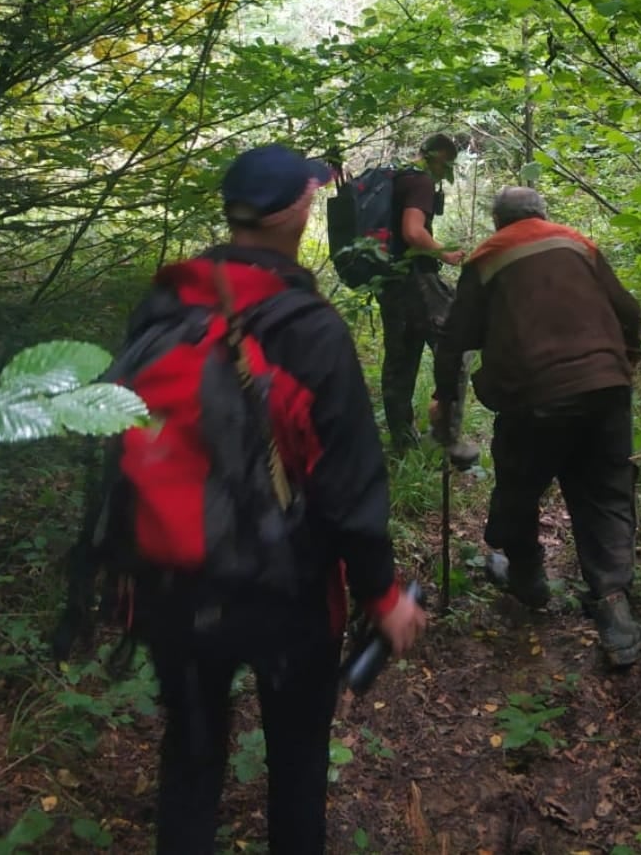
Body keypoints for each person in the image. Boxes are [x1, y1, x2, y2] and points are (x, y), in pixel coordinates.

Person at [122, 144, 425, 855]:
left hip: (172, 580)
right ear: (298, 210)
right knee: (296, 763)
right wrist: (383, 596)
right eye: (311, 196)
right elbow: (347, 483)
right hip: (283, 592)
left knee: (189, 758)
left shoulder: (163, 304)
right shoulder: (310, 329)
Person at [431, 185, 641, 668]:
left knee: (520, 487)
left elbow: (454, 341)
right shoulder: (577, 242)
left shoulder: (488, 257)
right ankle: (614, 608)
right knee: (605, 492)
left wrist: (445, 401)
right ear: (542, 213)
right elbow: (628, 311)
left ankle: (527, 578)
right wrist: (623, 359)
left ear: (498, 221)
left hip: (534, 396)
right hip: (607, 387)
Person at [376, 132, 479, 466]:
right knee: (457, 343)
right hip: (416, 279)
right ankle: (445, 434)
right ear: (438, 157)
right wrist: (446, 253)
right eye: (446, 164)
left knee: (400, 361)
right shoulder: (419, 181)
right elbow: (412, 231)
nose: (445, 171)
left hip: (390, 282)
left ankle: (402, 442)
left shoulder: (397, 175)